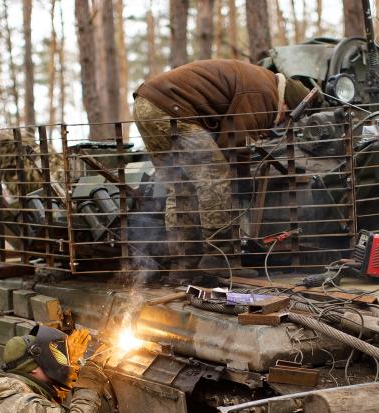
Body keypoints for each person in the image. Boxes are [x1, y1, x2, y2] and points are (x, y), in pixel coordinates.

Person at [132, 59, 311, 271]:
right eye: (285, 118)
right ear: (286, 103)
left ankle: (184, 264)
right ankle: (219, 259)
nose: (281, 123)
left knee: (181, 188)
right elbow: (235, 144)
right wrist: (242, 183)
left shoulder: (260, 80)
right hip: (171, 110)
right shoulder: (263, 93)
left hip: (146, 106)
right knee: (215, 176)